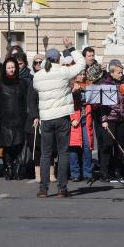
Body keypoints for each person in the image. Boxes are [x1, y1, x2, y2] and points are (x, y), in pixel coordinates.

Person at [32, 47, 85, 198]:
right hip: (62, 116)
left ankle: (43, 188)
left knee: (45, 154)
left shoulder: (38, 76)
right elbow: (81, 64)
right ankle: (62, 189)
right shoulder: (63, 72)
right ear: (58, 59)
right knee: (63, 153)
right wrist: (71, 49)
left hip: (46, 118)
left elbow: (36, 88)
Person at [0, 55, 36, 180]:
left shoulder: (22, 83)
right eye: (8, 68)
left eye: (13, 67)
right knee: (7, 147)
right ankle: (8, 167)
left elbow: (27, 102)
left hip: (19, 120)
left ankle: (18, 167)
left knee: (18, 145)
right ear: (4, 70)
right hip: (5, 121)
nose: (11, 70)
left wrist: (29, 116)